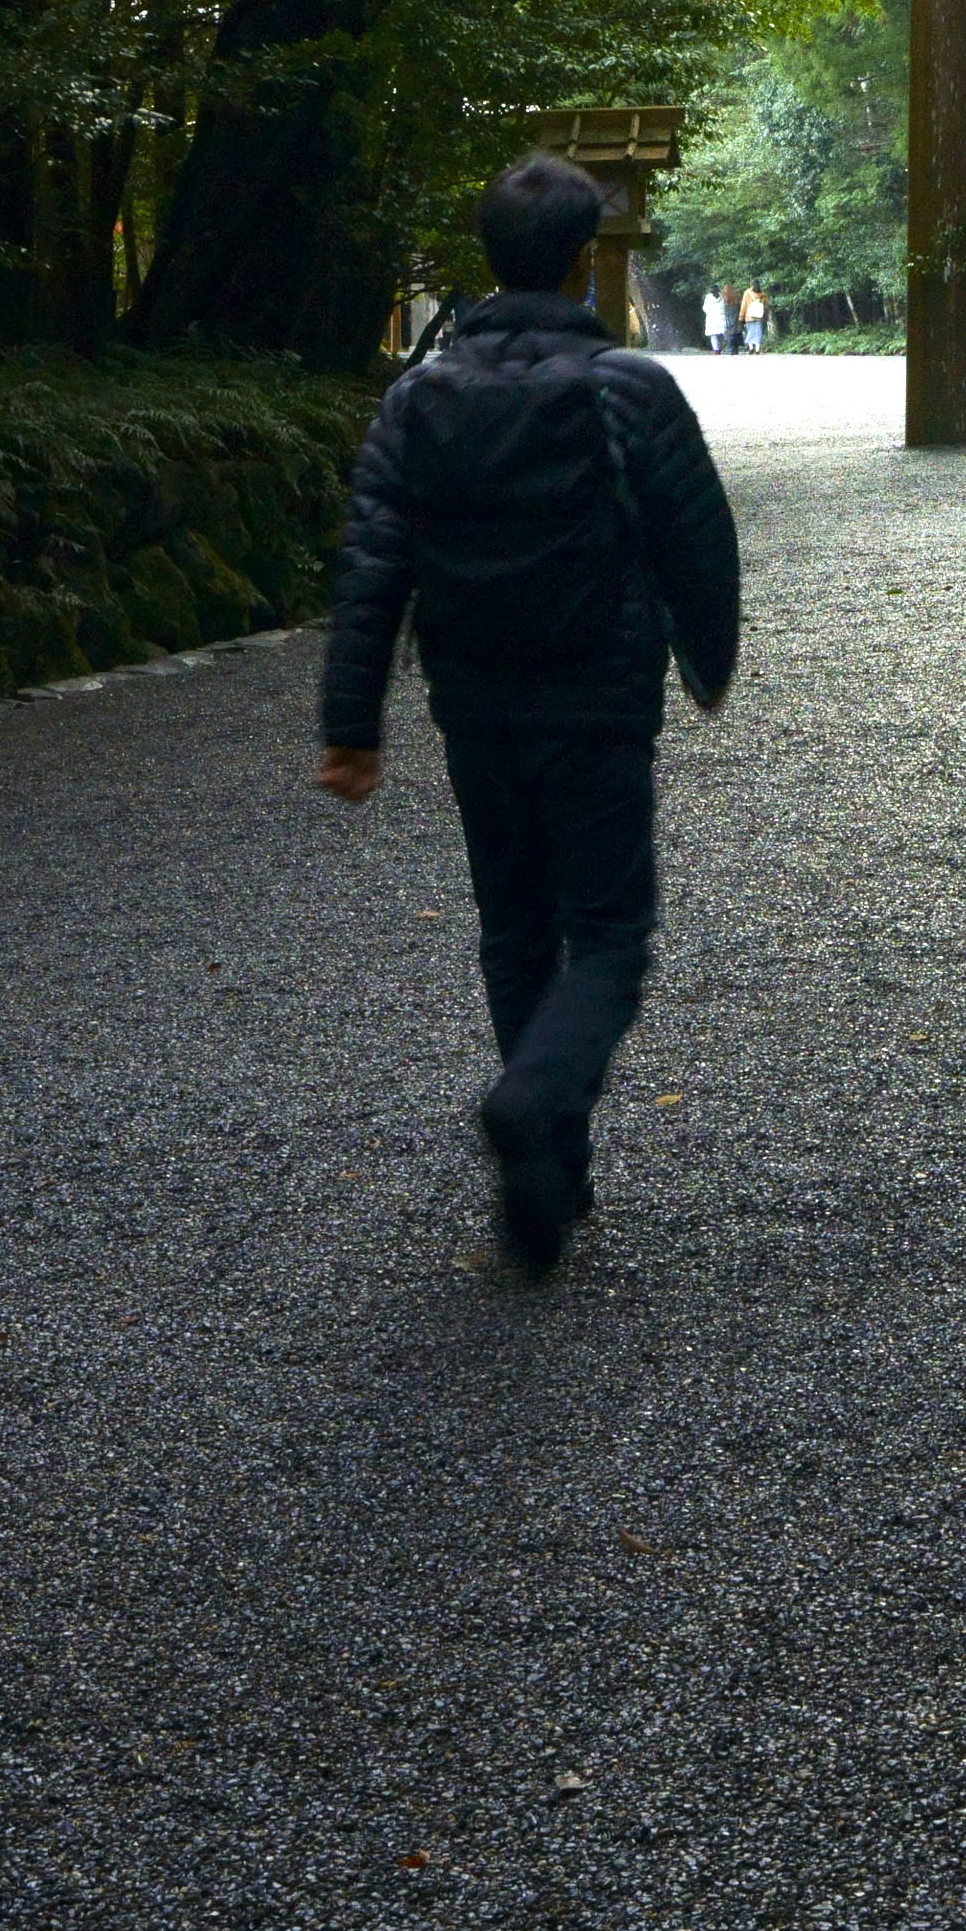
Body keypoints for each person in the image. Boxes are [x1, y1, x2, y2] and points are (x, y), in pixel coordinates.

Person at [315, 152, 743, 1274]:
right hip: (598, 702)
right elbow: (696, 536)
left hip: (477, 703)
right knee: (606, 935)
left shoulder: (421, 396)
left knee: (515, 928)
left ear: (489, 259)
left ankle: (545, 1176)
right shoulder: (627, 389)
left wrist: (351, 723)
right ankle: (535, 1106)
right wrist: (709, 658)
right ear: (582, 264)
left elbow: (373, 562)